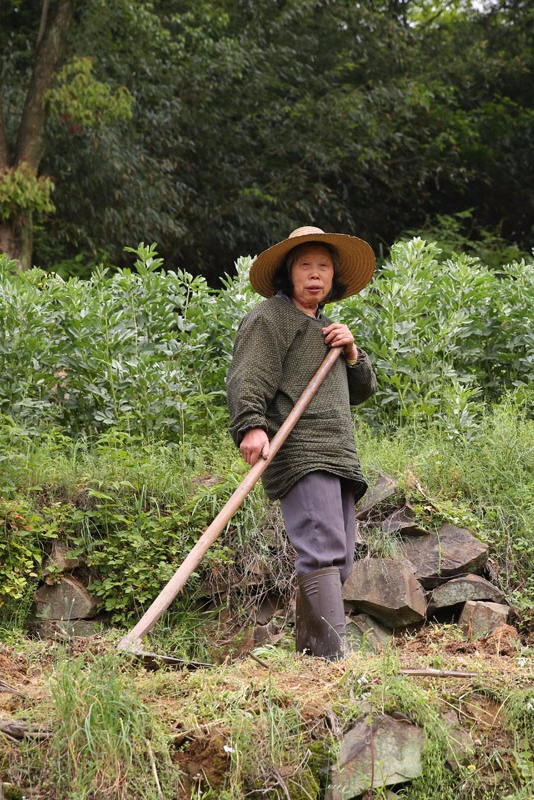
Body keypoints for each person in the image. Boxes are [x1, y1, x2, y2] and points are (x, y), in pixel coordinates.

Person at [226, 226, 378, 660]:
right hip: (300, 451)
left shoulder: (329, 328)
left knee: (342, 557)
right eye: (306, 266)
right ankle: (330, 661)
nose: (315, 275)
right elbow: (247, 376)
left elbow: (361, 390)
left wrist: (352, 354)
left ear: (334, 277)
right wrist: (252, 425)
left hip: (339, 455)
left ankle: (313, 655)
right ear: (289, 274)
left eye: (324, 267)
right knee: (322, 550)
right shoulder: (272, 318)